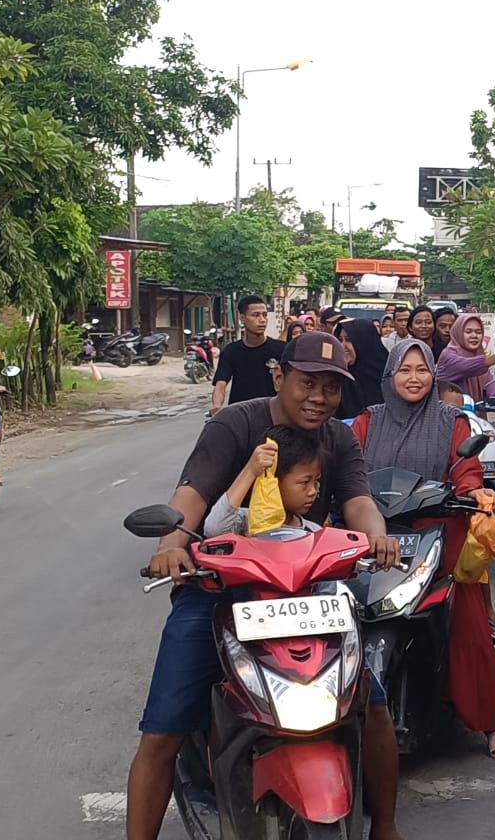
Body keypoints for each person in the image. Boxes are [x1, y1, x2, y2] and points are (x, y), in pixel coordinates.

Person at [128, 332, 405, 840]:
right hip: (220, 593)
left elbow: (358, 501)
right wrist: (171, 546)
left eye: (331, 388)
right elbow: (191, 495)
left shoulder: (338, 439)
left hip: (307, 596)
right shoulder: (237, 423)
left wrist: (378, 538)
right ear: (279, 377)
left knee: (372, 704)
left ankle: (385, 825)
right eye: (307, 384)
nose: (319, 398)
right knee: (164, 726)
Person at [352, 340, 495, 759]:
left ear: (433, 374)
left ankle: (491, 721)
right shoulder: (368, 422)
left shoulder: (452, 422)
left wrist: (473, 493)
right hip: (373, 537)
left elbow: (467, 470)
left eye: (421, 370)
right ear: (390, 375)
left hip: (435, 535)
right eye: (404, 370)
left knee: (467, 618)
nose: (413, 378)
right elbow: (347, 471)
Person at [435, 379, 495, 639]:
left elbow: (473, 475)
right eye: (447, 408)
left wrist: (477, 493)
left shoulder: (464, 432)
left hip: (456, 507)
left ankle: (488, 610)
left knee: (476, 551)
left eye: (459, 410)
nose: (453, 415)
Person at [202, 426, 323, 537]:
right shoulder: (245, 523)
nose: (313, 491)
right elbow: (214, 529)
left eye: (316, 481)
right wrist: (250, 471)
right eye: (304, 482)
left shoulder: (314, 532)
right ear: (272, 479)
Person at [210, 296, 285, 416]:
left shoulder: (282, 349)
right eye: (255, 315)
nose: (262, 320)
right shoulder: (231, 351)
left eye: (264, 315)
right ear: (242, 318)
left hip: (273, 415)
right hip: (240, 416)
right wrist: (217, 406)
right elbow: (221, 383)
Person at [435, 314, 495, 404]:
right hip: (450, 414)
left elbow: (489, 383)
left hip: (475, 416)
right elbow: (466, 367)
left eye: (478, 332)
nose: (474, 335)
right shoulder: (448, 355)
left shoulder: (478, 356)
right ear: (458, 333)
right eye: (468, 332)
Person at [335, 318, 390, 421]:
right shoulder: (339, 379)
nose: (342, 346)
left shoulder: (388, 378)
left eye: (348, 340)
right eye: (340, 340)